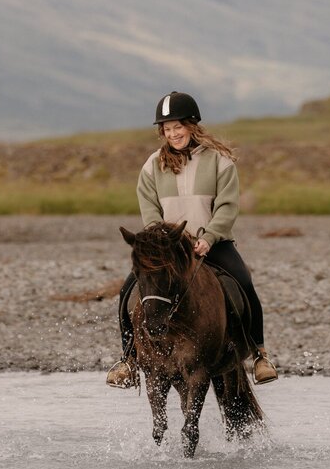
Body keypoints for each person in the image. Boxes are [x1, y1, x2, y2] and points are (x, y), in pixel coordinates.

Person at [106, 90, 277, 388]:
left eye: (178, 127)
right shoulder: (152, 165)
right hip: (170, 250)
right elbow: (150, 211)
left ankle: (260, 354)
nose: (173, 134)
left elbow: (227, 207)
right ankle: (128, 358)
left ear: (192, 126)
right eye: (167, 129)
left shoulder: (219, 162)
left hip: (213, 243)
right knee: (127, 291)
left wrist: (209, 237)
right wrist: (165, 243)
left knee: (245, 284)